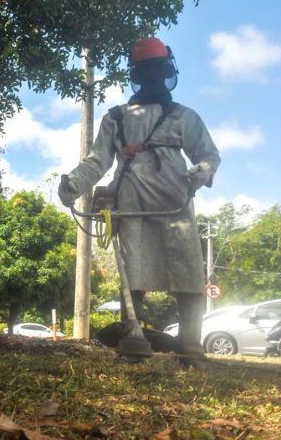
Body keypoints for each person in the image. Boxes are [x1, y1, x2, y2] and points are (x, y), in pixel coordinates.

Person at [58, 37, 220, 367]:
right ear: (166, 71)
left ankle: (185, 343)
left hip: (171, 200)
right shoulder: (120, 118)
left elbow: (207, 156)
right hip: (140, 199)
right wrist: (73, 184)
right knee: (137, 270)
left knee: (185, 269)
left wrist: (201, 172)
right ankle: (139, 336)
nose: (153, 79)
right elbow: (97, 161)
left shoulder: (179, 117)